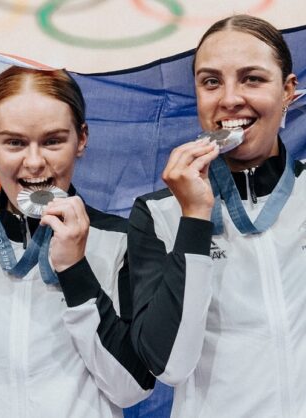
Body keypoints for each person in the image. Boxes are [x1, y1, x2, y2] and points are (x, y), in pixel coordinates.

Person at [0, 66, 155, 418]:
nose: (34, 163)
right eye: (15, 142)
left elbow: (131, 388)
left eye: (52, 141)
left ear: (81, 139)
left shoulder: (119, 241)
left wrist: (76, 271)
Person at [128, 14, 302, 417]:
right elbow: (167, 365)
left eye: (252, 79)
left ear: (288, 91)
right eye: (211, 82)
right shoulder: (158, 214)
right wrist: (194, 218)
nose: (229, 99)